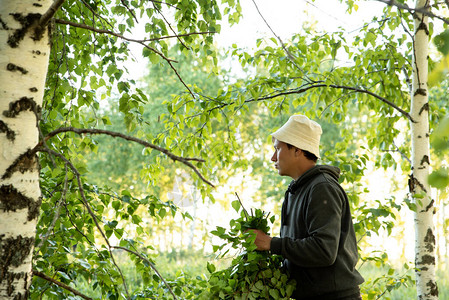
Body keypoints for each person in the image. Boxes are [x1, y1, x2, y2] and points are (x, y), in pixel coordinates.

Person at [250, 114, 364, 300]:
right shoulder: (296, 190)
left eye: (277, 149)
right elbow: (298, 252)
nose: (272, 157)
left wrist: (271, 243)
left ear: (297, 150)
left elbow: (324, 250)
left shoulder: (322, 188)